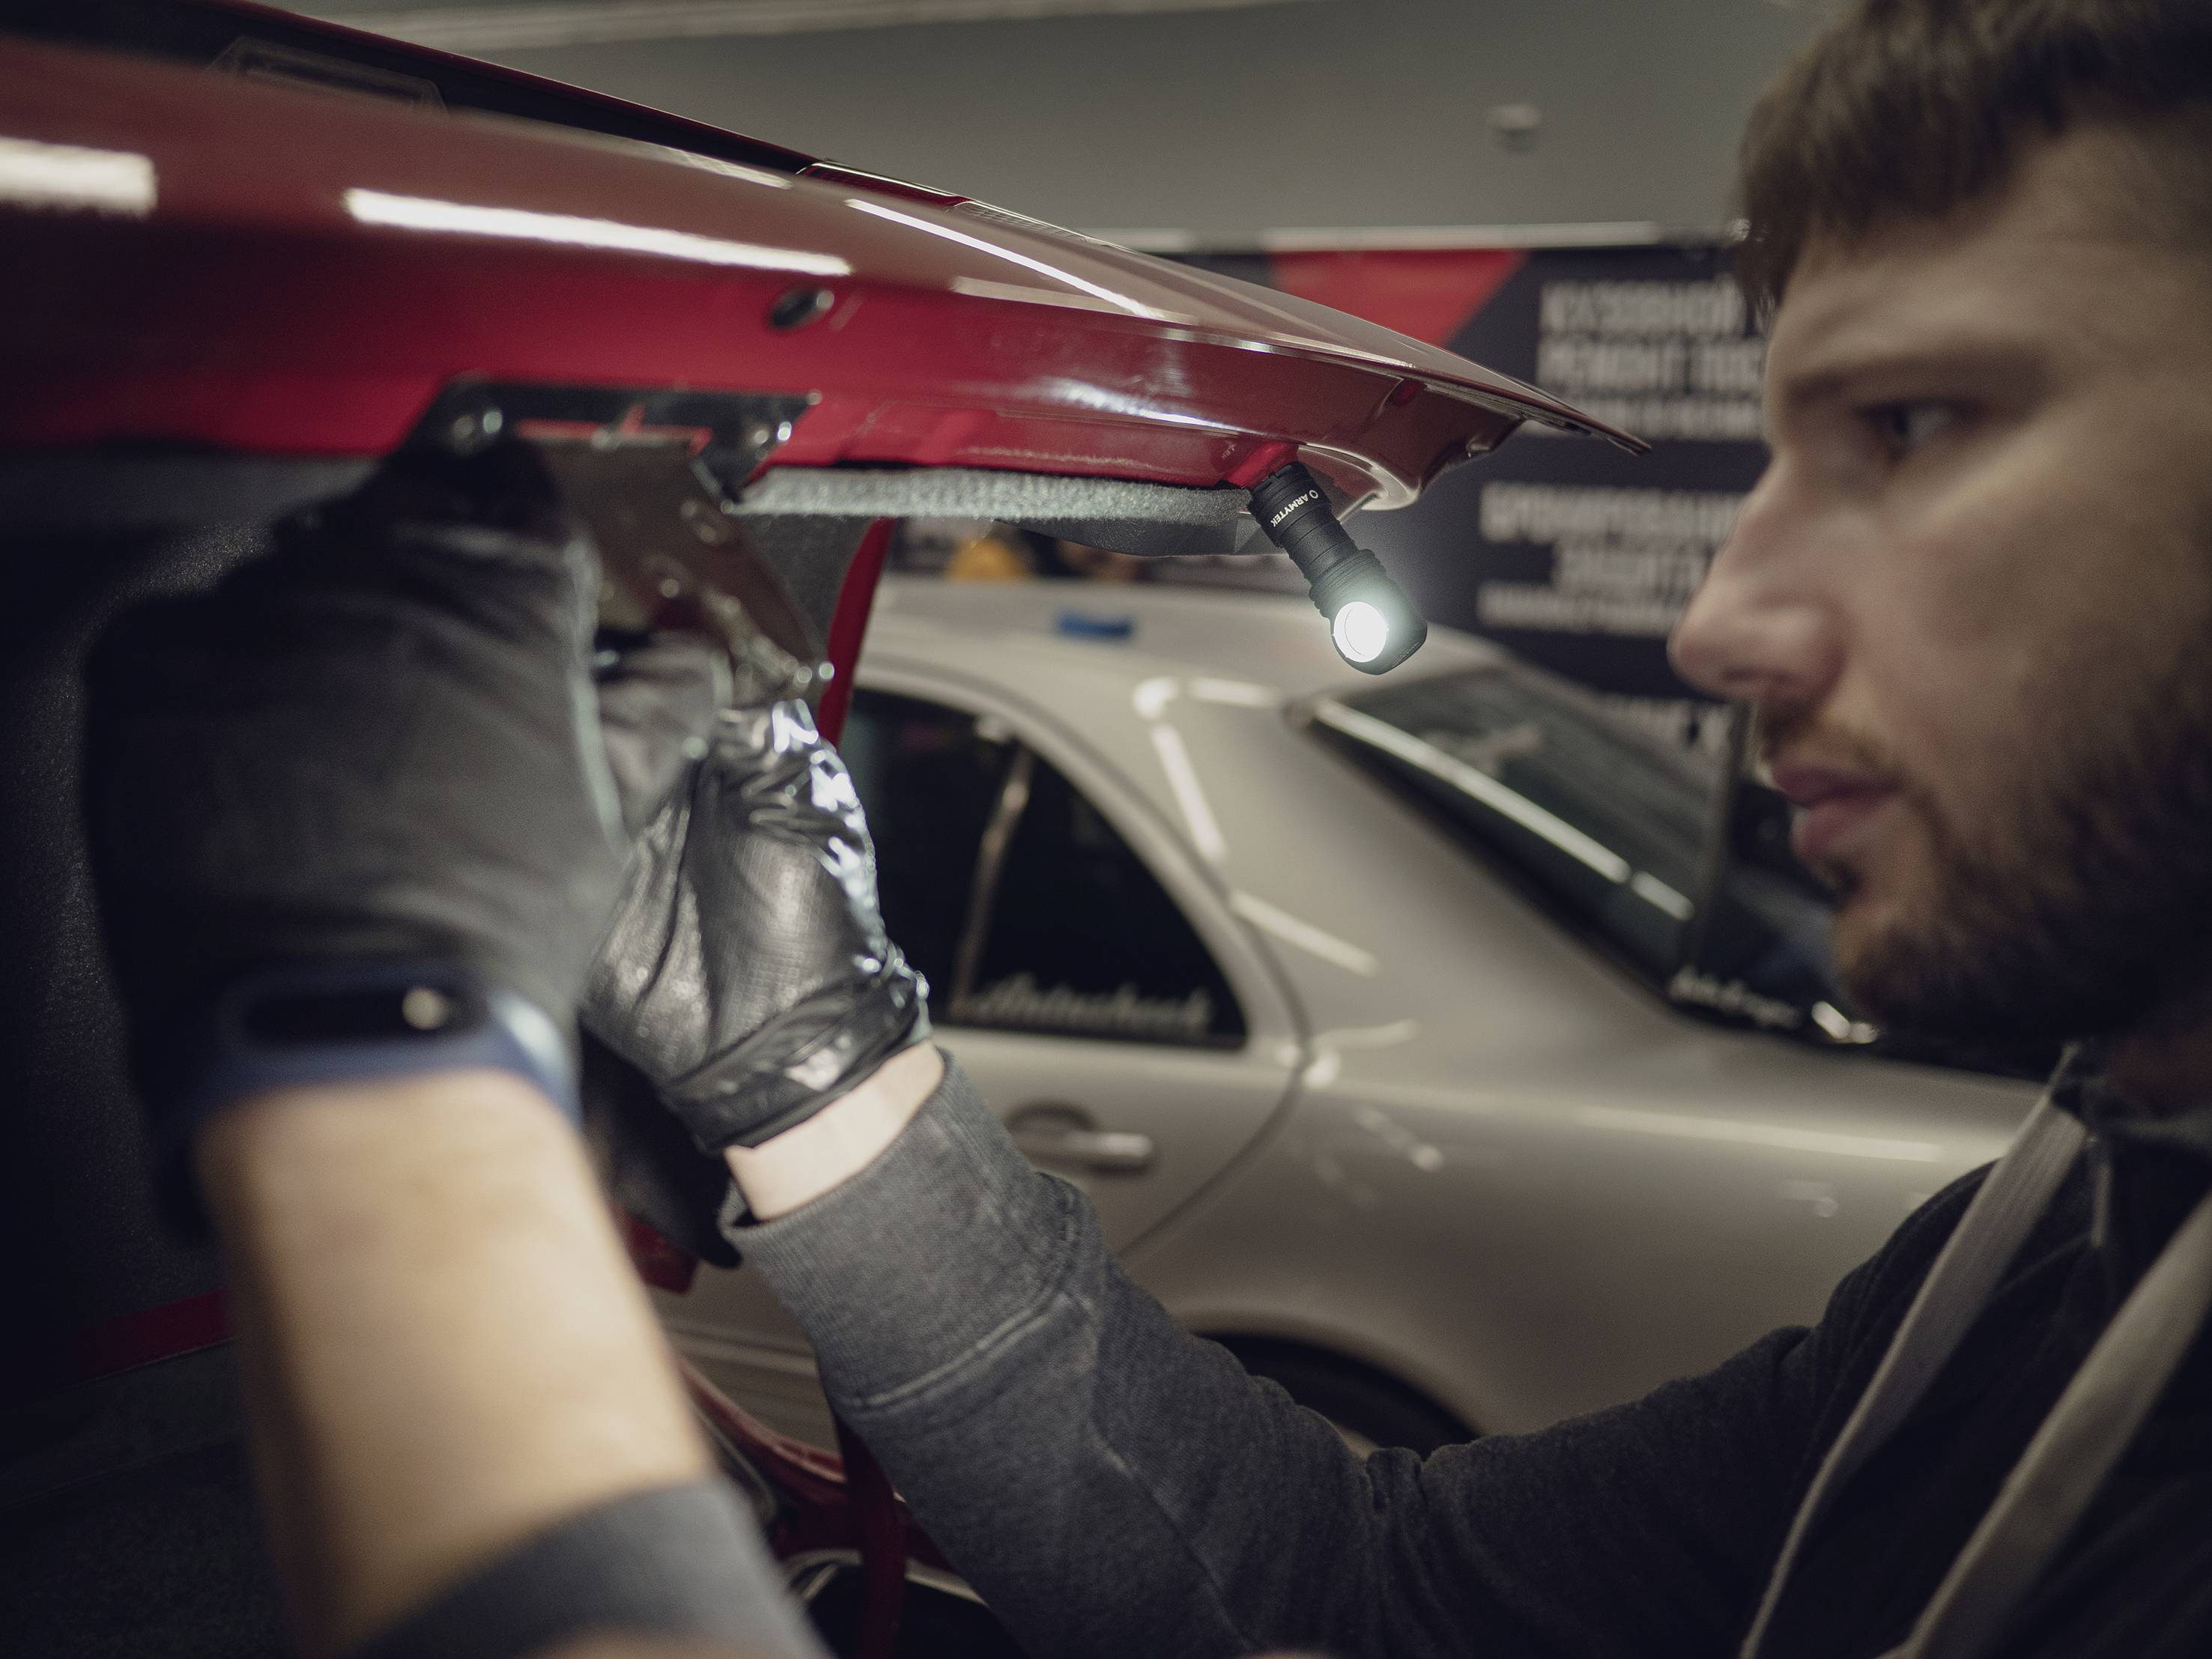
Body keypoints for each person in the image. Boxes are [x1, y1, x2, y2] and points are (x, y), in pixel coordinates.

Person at [80, 2, 2212, 1657]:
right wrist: (817, 1067)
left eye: (1912, 422)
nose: (1726, 616)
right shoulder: (2081, 1231)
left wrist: (376, 1041)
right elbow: (1346, 1597)